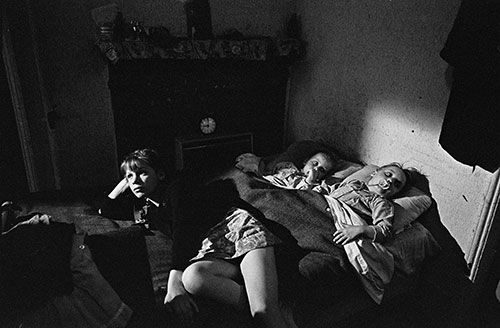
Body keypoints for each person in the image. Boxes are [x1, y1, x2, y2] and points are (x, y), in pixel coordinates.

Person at [98, 148, 171, 233]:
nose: (134, 181)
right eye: (130, 176)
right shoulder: (146, 206)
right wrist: (126, 180)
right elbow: (105, 210)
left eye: (142, 172)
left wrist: (130, 176)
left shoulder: (176, 193)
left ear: (160, 174)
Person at [236, 151, 335, 190]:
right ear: (305, 161)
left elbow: (302, 191)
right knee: (253, 162)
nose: (316, 169)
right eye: (315, 163)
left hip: (274, 188)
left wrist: (309, 181)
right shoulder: (288, 166)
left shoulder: (310, 184)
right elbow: (272, 169)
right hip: (265, 178)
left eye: (322, 170)